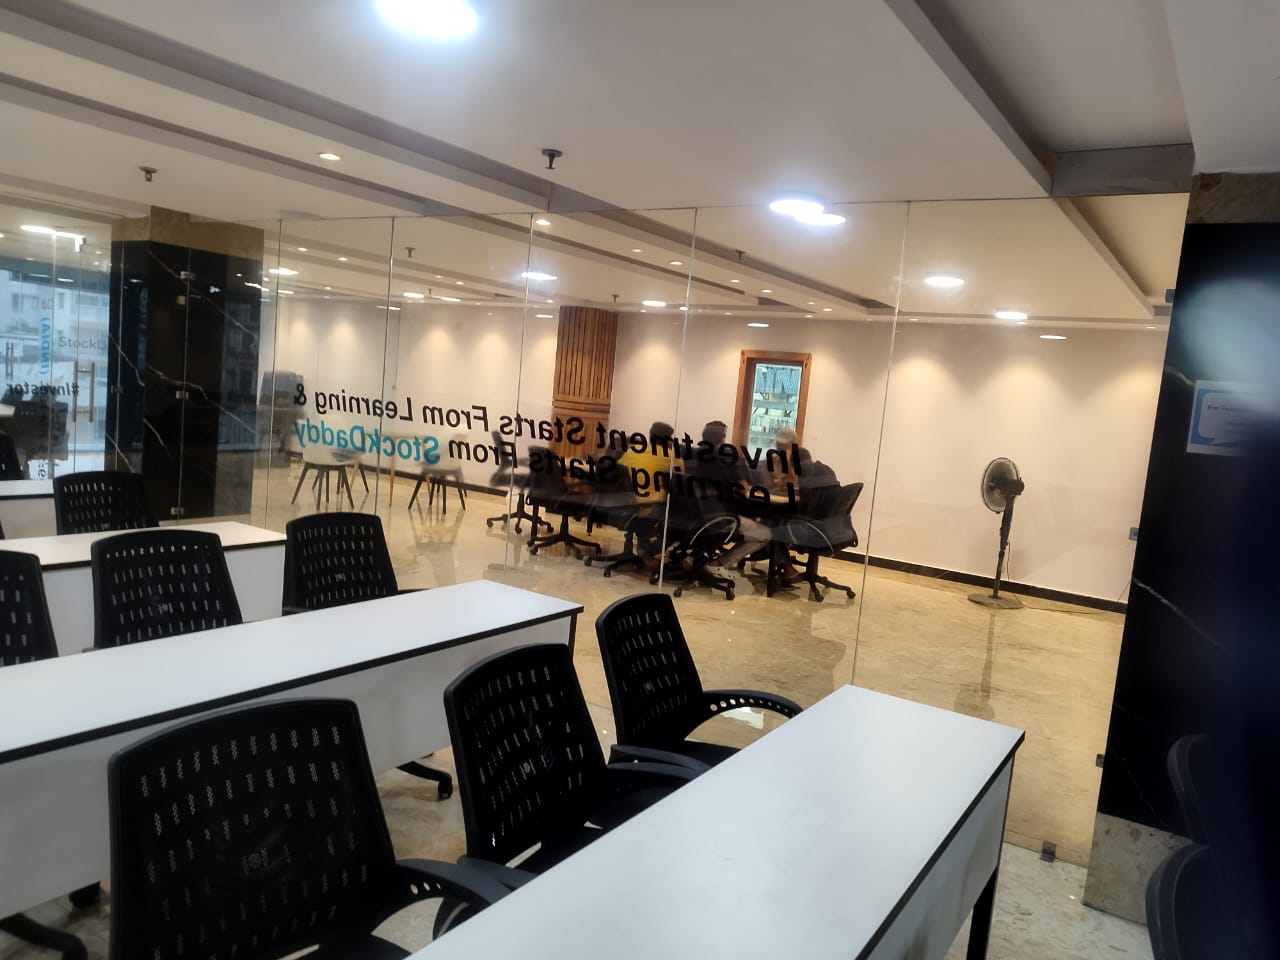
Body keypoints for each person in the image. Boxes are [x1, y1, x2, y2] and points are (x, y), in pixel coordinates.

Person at [684, 420, 771, 579]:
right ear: (723, 439)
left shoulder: (690, 455)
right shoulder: (725, 459)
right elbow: (742, 488)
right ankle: (719, 564)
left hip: (692, 516)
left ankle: (695, 554)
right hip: (718, 518)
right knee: (764, 533)